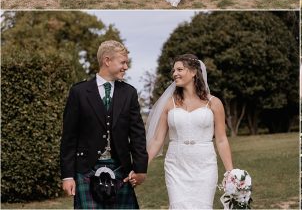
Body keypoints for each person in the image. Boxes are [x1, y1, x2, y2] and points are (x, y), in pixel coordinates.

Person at [60, 40, 148, 209]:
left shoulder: (129, 93)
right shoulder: (79, 92)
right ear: (107, 61)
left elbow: (137, 134)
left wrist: (140, 169)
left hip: (120, 168)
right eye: (122, 62)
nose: (126, 67)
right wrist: (67, 176)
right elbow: (69, 137)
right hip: (86, 168)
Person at [146, 54, 234, 209]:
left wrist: (230, 172)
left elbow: (221, 140)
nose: (175, 74)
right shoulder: (169, 104)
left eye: (180, 69)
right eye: (173, 70)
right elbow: (157, 140)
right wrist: (142, 165)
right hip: (176, 165)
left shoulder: (214, 103)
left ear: (193, 72)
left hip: (205, 165)